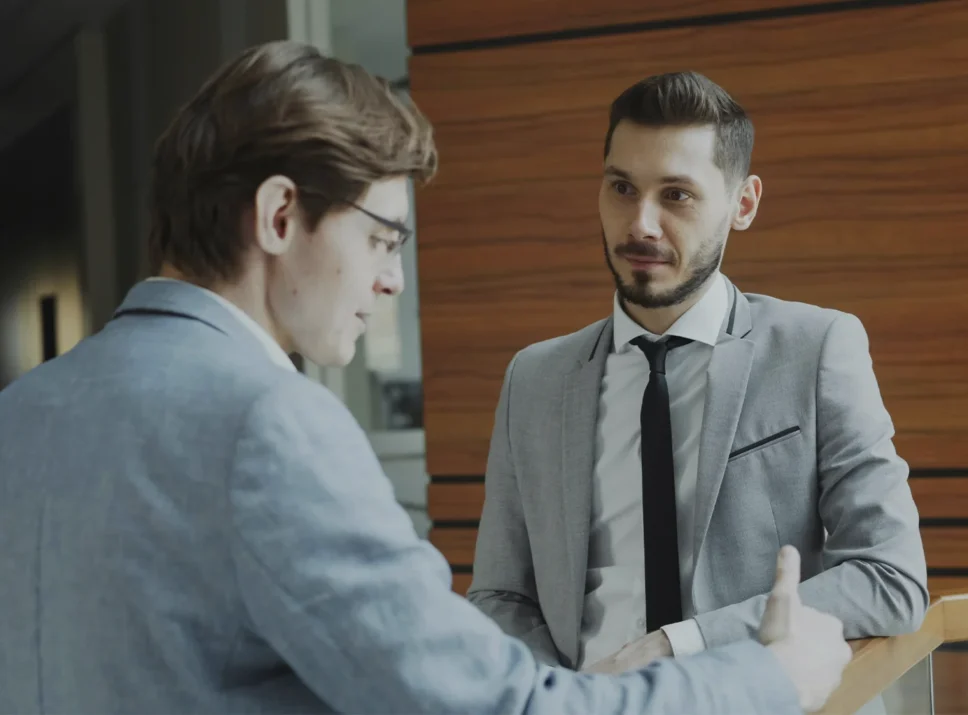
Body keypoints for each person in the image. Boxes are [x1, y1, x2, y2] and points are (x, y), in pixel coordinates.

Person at [0, 42, 851, 715]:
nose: (392, 281)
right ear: (279, 215)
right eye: (381, 238)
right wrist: (771, 678)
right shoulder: (269, 425)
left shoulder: (23, 410)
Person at [468, 71, 929, 675]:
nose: (641, 224)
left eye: (676, 195)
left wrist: (677, 645)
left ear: (743, 204)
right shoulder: (534, 379)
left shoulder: (816, 349)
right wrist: (565, 700)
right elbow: (501, 596)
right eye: (622, 188)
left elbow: (890, 578)